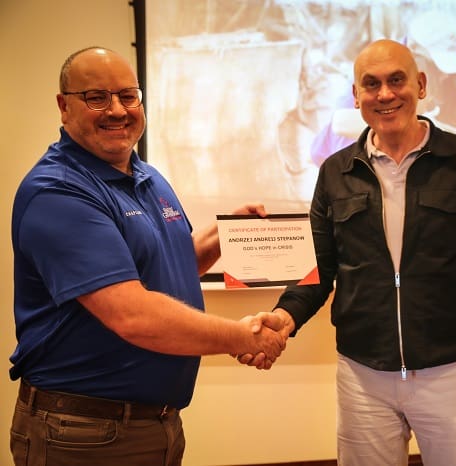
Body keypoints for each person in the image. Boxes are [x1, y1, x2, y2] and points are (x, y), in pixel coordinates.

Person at [242, 38, 456, 465]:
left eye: (397, 80)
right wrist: (283, 318)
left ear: (421, 84)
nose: (385, 94)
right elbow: (317, 269)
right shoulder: (335, 172)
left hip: (452, 373)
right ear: (356, 96)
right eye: (371, 84)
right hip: (362, 377)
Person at [9, 46, 287, 466]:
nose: (118, 110)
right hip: (84, 434)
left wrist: (228, 236)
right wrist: (243, 338)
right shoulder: (59, 191)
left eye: (128, 95)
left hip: (154, 424)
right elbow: (133, 314)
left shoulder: (147, 175)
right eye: (97, 97)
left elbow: (162, 268)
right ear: (64, 107)